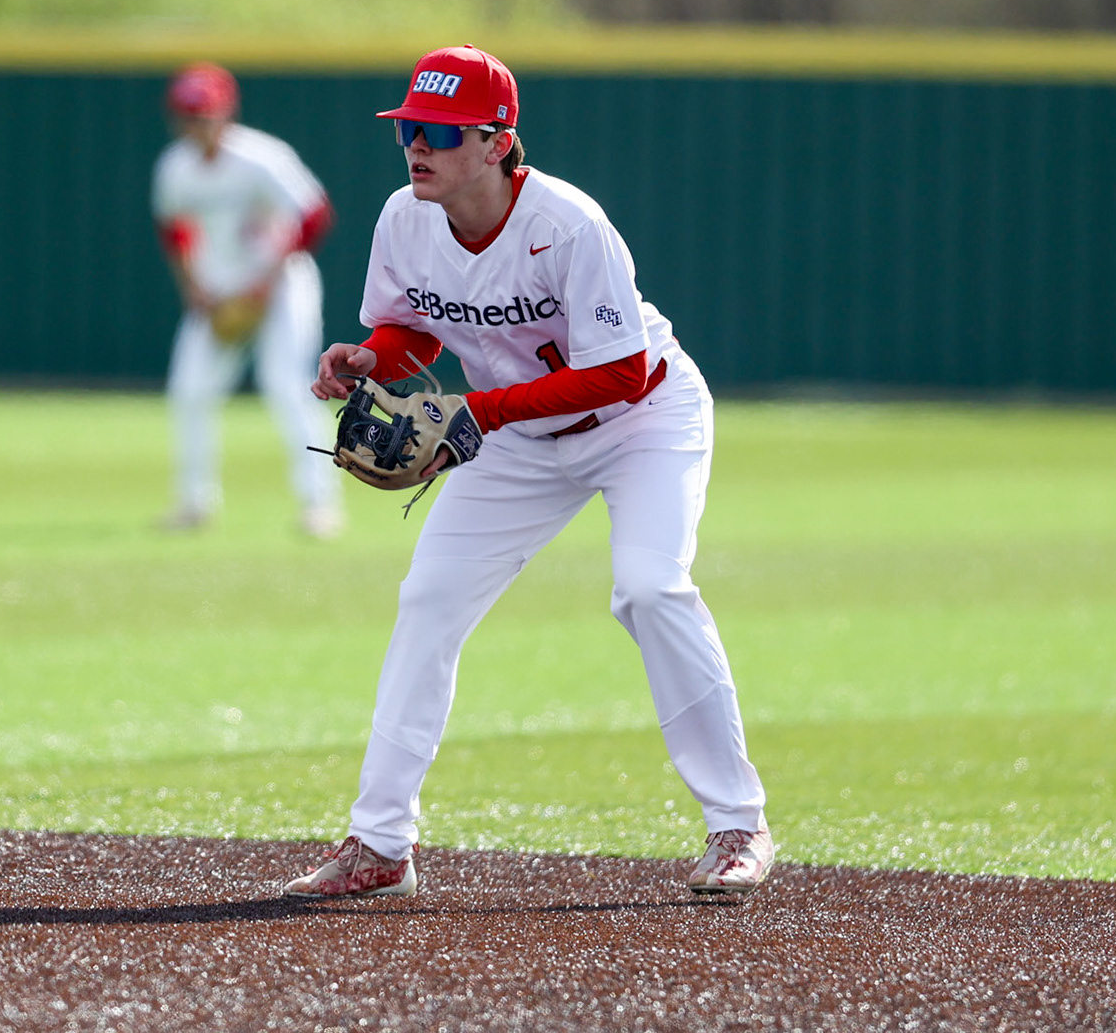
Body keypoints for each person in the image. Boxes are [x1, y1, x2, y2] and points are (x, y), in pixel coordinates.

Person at [284, 44, 772, 899]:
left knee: (650, 589)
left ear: (497, 140)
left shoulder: (568, 224)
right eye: (406, 129)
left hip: (641, 421)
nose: (415, 147)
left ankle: (739, 824)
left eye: (436, 131)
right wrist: (370, 357)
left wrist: (479, 413)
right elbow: (417, 329)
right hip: (512, 432)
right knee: (428, 600)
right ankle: (380, 844)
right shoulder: (406, 216)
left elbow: (621, 371)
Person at [152, 61, 343, 538]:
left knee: (287, 385)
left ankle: (320, 504)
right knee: (190, 389)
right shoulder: (175, 166)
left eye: (204, 113)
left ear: (225, 113)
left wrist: (268, 278)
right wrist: (191, 285)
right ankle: (195, 503)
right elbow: (173, 228)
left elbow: (315, 215)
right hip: (218, 289)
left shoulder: (262, 157)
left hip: (280, 284)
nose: (196, 124)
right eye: (187, 114)